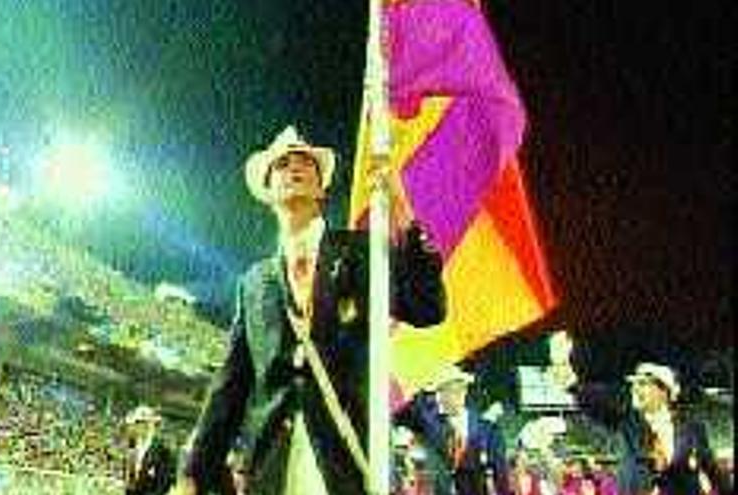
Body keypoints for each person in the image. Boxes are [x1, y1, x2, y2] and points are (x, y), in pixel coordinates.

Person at [177, 126, 446, 494]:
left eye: (306, 161)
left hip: (347, 457)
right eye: (282, 163)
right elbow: (232, 384)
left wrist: (407, 222)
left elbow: (428, 306)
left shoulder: (360, 254)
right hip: (272, 466)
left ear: (321, 189)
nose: (295, 167)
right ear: (268, 191)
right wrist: (194, 472)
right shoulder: (254, 283)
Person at [569, 361, 727, 495]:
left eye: (643, 383)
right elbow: (593, 405)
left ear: (663, 391)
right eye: (634, 384)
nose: (635, 389)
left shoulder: (692, 428)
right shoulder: (627, 422)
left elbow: (711, 467)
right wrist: (573, 385)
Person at [393, 364, 509, 495]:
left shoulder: (487, 429)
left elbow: (501, 474)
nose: (458, 395)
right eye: (452, 390)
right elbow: (399, 414)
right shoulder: (428, 420)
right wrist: (422, 391)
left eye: (461, 389)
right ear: (440, 393)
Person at [124, 405, 176, 495]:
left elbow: (164, 483)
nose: (137, 427)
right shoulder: (133, 446)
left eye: (140, 423)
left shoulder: (162, 450)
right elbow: (129, 478)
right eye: (136, 423)